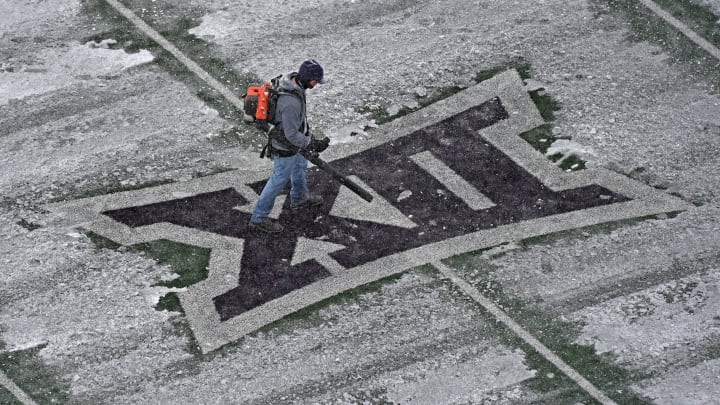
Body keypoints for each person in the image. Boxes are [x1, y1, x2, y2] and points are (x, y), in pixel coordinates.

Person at [248, 59, 331, 233]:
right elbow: (291, 134)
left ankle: (299, 199)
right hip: (285, 146)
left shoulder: (292, 83)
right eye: (315, 81)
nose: (316, 84)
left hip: (292, 141)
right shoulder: (290, 103)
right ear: (308, 78)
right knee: (278, 180)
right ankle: (258, 218)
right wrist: (311, 143)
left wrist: (308, 138)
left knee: (300, 166)